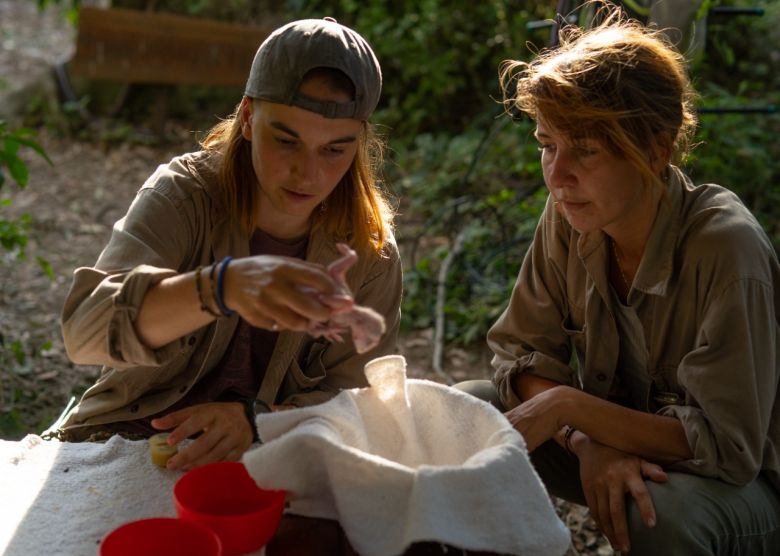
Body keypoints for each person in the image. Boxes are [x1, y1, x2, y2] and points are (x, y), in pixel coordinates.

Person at [457, 6, 780, 555]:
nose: (557, 177)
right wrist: (586, 440)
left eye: (585, 149)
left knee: (659, 516)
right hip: (614, 441)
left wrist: (570, 408)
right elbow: (519, 353)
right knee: (468, 412)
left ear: (657, 148)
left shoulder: (726, 249)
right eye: (546, 145)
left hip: (741, 490)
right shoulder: (573, 211)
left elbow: (726, 447)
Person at [57, 18, 402, 472]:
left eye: (334, 150)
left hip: (274, 461)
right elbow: (84, 334)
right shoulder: (183, 198)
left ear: (358, 144)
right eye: (286, 140)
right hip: (128, 442)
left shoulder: (368, 252)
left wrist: (256, 421)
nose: (307, 173)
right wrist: (218, 288)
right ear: (247, 119)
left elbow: (365, 404)